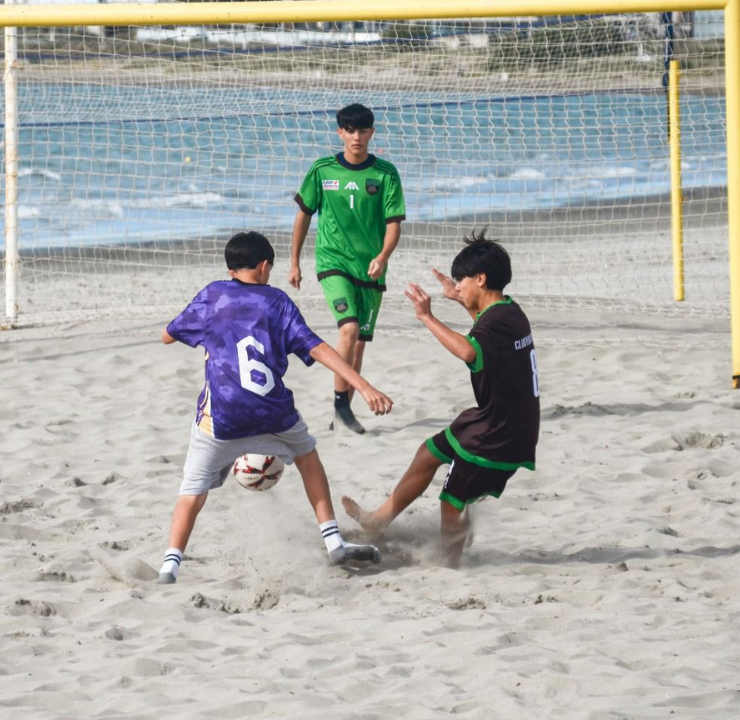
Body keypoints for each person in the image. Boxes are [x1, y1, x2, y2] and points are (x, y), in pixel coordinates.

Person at [157, 231, 393, 585]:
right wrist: (363, 385)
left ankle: (169, 567)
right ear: (265, 266)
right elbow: (316, 348)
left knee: (191, 491)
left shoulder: (212, 296)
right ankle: (332, 540)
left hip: (221, 420)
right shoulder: (278, 302)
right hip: (274, 414)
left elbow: (167, 335)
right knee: (308, 457)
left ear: (230, 267)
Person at [342, 228, 540, 568]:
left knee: (451, 499)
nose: (457, 286)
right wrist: (459, 300)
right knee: (428, 453)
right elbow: (481, 331)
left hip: (499, 431)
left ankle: (450, 563)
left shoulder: (495, 324)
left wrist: (426, 317)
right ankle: (379, 520)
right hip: (496, 418)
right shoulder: (508, 311)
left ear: (480, 278)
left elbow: (467, 350)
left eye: (460, 281)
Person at [289, 103, 406, 435]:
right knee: (348, 330)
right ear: (340, 133)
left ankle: (343, 415)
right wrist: (294, 261)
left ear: (371, 132)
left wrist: (382, 256)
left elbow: (393, 225)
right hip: (332, 263)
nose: (356, 137)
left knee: (357, 345)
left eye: (362, 130)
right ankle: (341, 405)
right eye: (350, 130)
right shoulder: (322, 170)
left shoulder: (385, 173)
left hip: (370, 270)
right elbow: (303, 215)